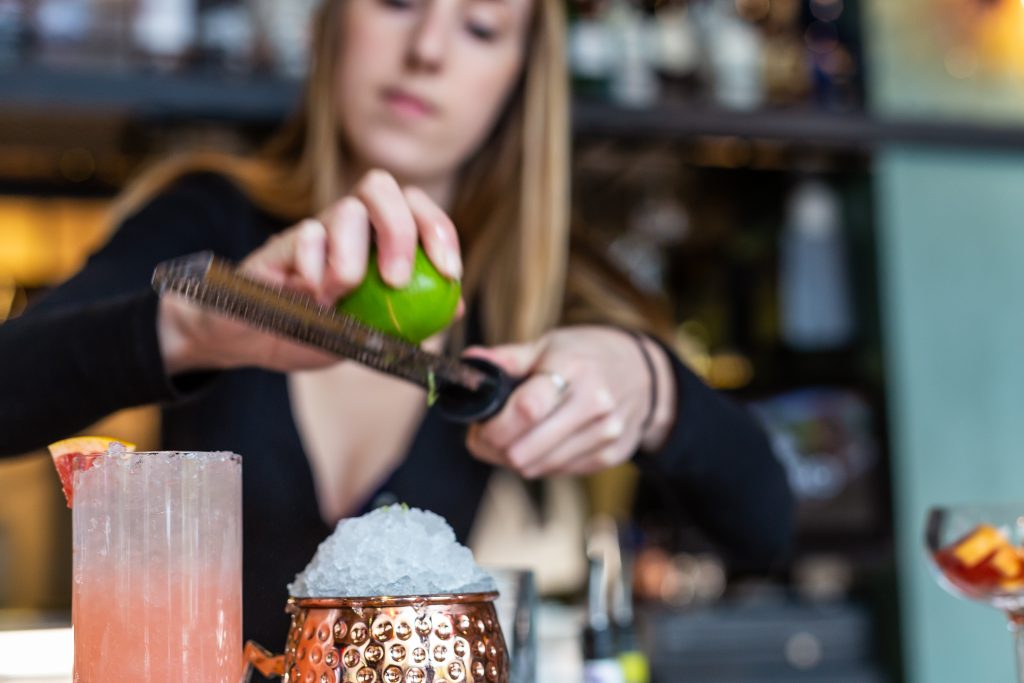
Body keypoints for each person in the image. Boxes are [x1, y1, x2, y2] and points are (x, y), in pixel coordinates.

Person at [0, 0, 794, 654]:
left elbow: (764, 526)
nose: (428, 51)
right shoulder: (211, 220)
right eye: (399, 3)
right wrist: (188, 330)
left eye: (481, 28)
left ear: (519, 78)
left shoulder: (550, 289)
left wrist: (651, 387)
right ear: (333, 21)